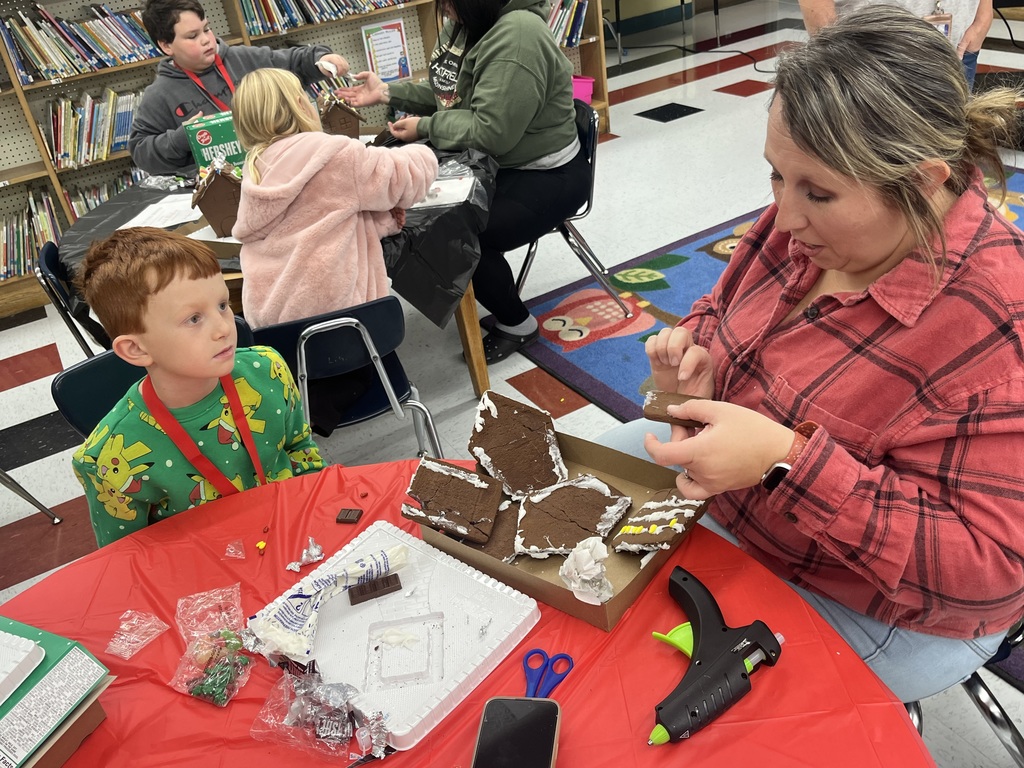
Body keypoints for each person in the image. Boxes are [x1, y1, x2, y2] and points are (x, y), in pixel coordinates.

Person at [598, 6, 1024, 703]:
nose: (784, 218)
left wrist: (786, 462)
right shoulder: (805, 218)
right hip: (737, 503)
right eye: (775, 177)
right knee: (562, 515)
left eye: (817, 193)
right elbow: (723, 305)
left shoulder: (995, 329)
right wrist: (690, 360)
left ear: (922, 182)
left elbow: (993, 567)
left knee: (660, 694)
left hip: (885, 604)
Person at [337, 0, 590, 364]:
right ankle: (478, 298)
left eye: (451, 4)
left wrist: (425, 127)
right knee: (422, 215)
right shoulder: (476, 22)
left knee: (460, 236)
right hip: (504, 163)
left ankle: (518, 324)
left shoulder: (518, 35)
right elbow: (450, 99)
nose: (447, 13)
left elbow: (491, 132)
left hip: (548, 173)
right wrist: (389, 93)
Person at [71, 227, 325, 547]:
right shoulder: (107, 458)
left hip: (298, 533)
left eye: (221, 305)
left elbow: (301, 453)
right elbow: (128, 557)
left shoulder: (268, 370)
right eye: (193, 319)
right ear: (137, 350)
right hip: (208, 577)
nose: (223, 328)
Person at [231, 68, 437, 329]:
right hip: (344, 318)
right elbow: (403, 179)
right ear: (300, 105)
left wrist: (378, 221)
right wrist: (423, 150)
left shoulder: (254, 169)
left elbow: (315, 219)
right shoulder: (332, 154)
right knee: (380, 368)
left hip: (274, 325)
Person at [129, 0, 350, 176]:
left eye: (206, 29)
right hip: (224, 184)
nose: (207, 40)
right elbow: (141, 150)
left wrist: (322, 58)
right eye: (193, 36)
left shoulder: (244, 57)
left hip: (278, 169)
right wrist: (182, 138)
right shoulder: (158, 94)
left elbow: (295, 63)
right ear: (166, 45)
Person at [798, 0, 992, 88]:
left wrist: (984, 14)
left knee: (949, 152)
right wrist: (832, 47)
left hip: (959, 46)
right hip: (865, 56)